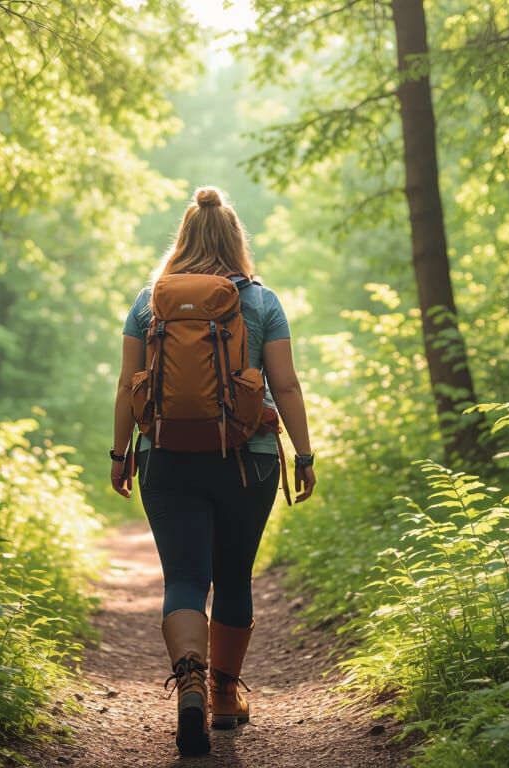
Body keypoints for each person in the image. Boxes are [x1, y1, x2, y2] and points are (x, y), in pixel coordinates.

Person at [109, 186, 316, 757]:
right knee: (232, 575)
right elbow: (287, 385)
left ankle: (190, 682)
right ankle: (225, 697)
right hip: (248, 459)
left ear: (184, 238)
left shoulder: (149, 301)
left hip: (166, 455)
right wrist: (303, 453)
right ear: (235, 240)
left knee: (183, 576)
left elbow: (129, 386)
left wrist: (120, 452)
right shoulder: (263, 302)